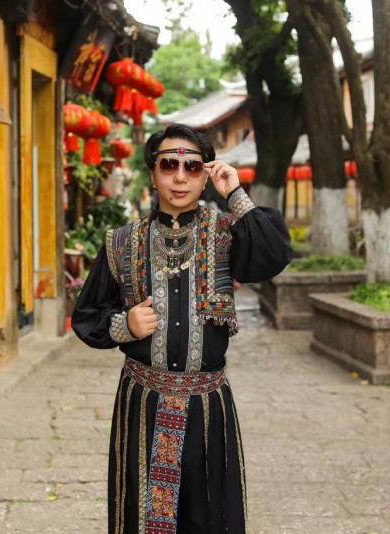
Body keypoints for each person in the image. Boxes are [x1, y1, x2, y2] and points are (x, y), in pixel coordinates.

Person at [72, 123, 292, 533]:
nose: (179, 177)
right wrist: (125, 325)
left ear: (205, 175)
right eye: (168, 165)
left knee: (209, 517)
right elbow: (86, 316)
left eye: (192, 167)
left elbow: (275, 252)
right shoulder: (121, 242)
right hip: (143, 406)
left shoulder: (227, 236)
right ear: (152, 173)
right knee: (141, 517)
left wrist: (234, 193)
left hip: (208, 409)